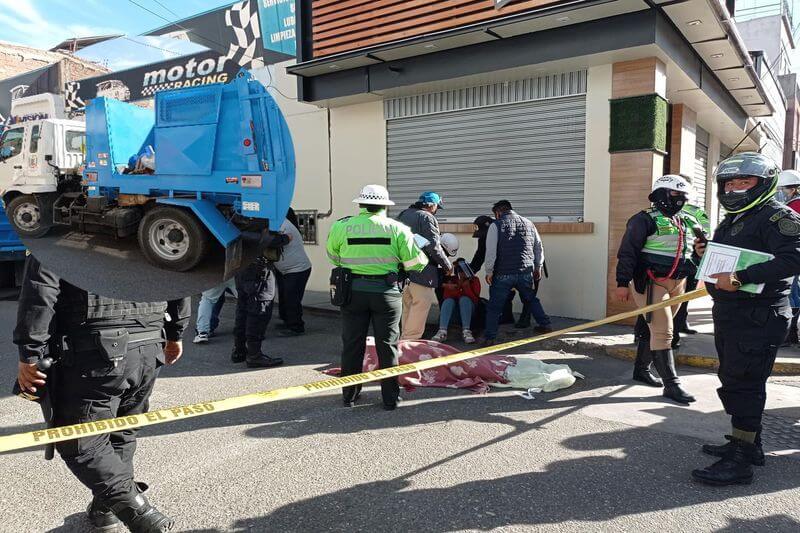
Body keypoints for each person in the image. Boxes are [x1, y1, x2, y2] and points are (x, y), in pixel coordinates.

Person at [14, 255, 190, 533]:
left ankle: (141, 515)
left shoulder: (56, 233)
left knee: (81, 440)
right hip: (149, 345)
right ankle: (106, 509)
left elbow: (41, 290)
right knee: (122, 431)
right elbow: (180, 275)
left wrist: (30, 353)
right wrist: (175, 332)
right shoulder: (147, 228)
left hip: (97, 353)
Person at [692, 152, 800, 486]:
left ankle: (740, 462)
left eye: (744, 181)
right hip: (733, 313)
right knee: (736, 378)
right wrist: (705, 252)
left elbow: (792, 257)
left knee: (745, 383)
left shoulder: (776, 217)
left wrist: (740, 276)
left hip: (758, 315)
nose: (736, 188)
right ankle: (749, 444)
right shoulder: (737, 217)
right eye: (730, 182)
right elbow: (736, 252)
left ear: (763, 183)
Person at [327, 184, 428, 410]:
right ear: (384, 205)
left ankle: (349, 395)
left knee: (352, 345)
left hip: (352, 293)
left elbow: (334, 256)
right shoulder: (397, 229)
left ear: (361, 203)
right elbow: (415, 263)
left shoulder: (341, 226)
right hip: (387, 295)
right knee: (388, 346)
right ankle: (390, 398)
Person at [615, 175, 701, 404]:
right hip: (652, 282)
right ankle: (672, 385)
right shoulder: (642, 219)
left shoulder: (688, 221)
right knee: (665, 332)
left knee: (654, 328)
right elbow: (627, 253)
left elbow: (694, 252)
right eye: (675, 194)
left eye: (684, 195)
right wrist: (622, 283)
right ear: (661, 194)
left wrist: (701, 253)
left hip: (679, 283)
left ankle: (641, 370)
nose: (680, 200)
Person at [482, 200, 552, 346]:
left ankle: (489, 338)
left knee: (495, 306)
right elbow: (538, 246)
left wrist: (489, 271)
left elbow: (491, 251)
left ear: (498, 212)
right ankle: (545, 325)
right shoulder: (529, 223)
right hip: (526, 271)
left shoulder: (496, 225)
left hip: (503, 273)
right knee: (531, 299)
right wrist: (537, 266)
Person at [397, 191, 453, 340]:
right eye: (436, 207)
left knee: (408, 306)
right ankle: (411, 343)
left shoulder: (403, 214)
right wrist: (447, 265)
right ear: (432, 205)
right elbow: (433, 247)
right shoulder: (427, 217)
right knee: (420, 305)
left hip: (403, 270)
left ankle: (403, 342)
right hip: (422, 271)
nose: (436, 211)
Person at [231, 233, 291, 368]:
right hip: (258, 271)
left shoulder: (236, 219)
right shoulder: (253, 219)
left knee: (243, 311)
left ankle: (239, 351)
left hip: (242, 268)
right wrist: (285, 238)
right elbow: (264, 239)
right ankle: (254, 355)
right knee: (259, 312)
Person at [431, 234, 479, 344]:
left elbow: (474, 299)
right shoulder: (451, 280)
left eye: (463, 270)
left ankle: (467, 331)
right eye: (458, 270)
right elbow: (447, 296)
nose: (460, 272)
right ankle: (442, 331)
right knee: (449, 300)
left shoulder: (474, 280)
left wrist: (465, 285)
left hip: (469, 313)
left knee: (464, 299)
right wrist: (456, 284)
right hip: (453, 314)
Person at [274, 213, 313, 337]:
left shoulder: (282, 226)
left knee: (292, 298)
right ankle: (288, 321)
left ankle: (296, 327)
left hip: (297, 269)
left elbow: (271, 241)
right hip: (289, 270)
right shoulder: (279, 222)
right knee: (286, 297)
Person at [777, 170, 800, 345]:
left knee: (791, 292)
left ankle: (788, 333)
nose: (782, 193)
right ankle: (791, 333)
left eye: (783, 189)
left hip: (792, 255)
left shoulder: (795, 205)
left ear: (793, 189)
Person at [193, 278, 237, 344]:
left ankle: (202, 332)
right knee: (247, 298)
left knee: (208, 299)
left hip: (216, 274)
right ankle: (249, 329)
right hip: (235, 273)